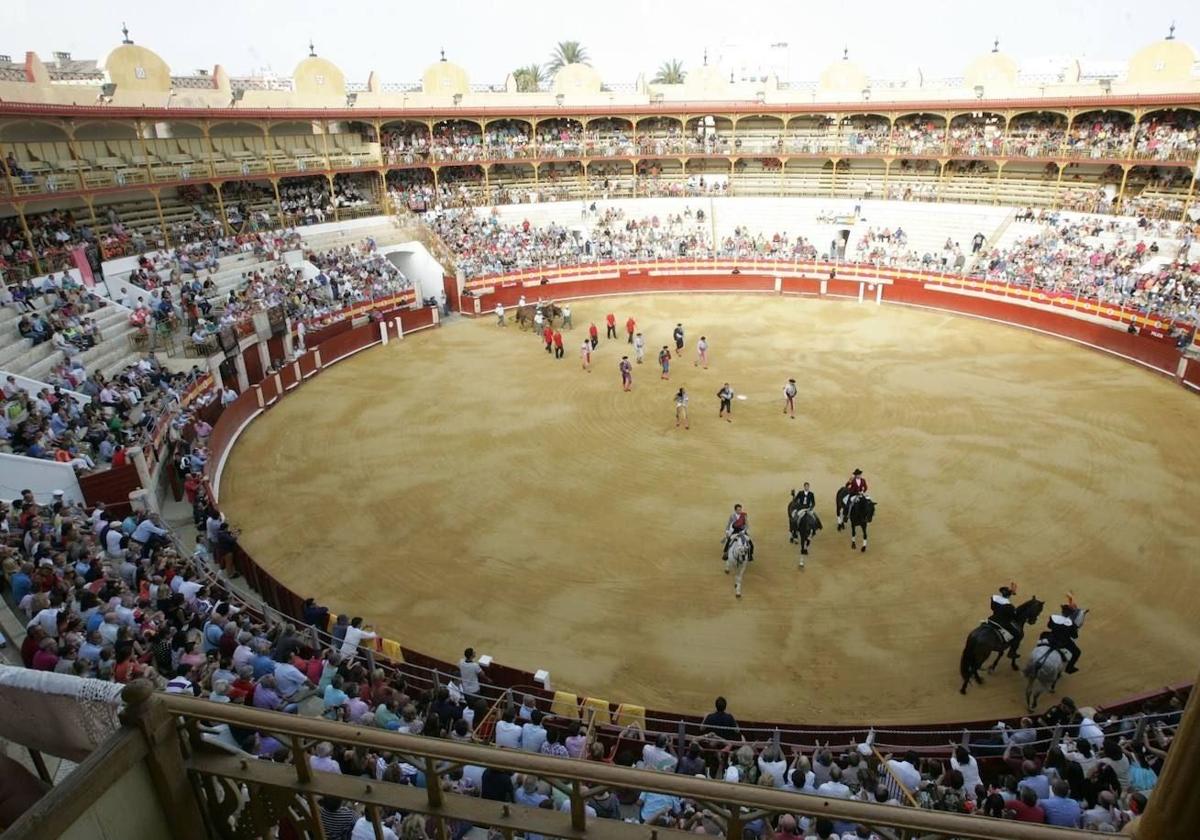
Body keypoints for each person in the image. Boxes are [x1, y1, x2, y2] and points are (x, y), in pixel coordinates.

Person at [1039, 596, 1083, 674]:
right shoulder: (1070, 623)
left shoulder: (1053, 617)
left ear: (1062, 611)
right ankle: (1069, 668)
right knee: (1077, 652)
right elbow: (1075, 636)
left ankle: (1040, 645)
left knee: (1043, 634)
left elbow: (1049, 626)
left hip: (1051, 638)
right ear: (1070, 613)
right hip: (1063, 642)